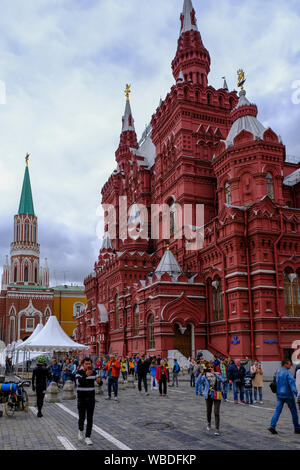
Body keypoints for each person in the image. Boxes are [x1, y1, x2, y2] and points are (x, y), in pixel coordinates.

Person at [269, 360, 300, 435]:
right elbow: (292, 386)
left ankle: (272, 426)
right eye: (289, 364)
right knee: (294, 412)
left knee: (277, 411)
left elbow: (273, 381)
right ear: (285, 364)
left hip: (279, 395)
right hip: (288, 395)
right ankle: (297, 428)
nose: (290, 366)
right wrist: (298, 395)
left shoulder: (277, 371)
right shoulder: (288, 373)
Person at [76, 357, 101, 445]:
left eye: (89, 364)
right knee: (82, 418)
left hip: (91, 399)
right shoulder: (79, 372)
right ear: (83, 364)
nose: (88, 365)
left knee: (90, 419)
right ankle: (80, 430)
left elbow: (99, 382)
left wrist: (99, 381)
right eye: (86, 364)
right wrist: (86, 375)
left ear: (91, 364)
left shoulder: (94, 372)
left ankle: (88, 437)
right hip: (81, 399)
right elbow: (79, 383)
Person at [201, 364, 224, 436]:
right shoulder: (205, 376)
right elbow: (198, 382)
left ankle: (217, 429)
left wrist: (215, 374)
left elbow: (223, 380)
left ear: (214, 368)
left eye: (212, 367)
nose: (210, 368)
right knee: (208, 411)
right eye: (209, 368)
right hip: (208, 394)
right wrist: (201, 374)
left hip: (217, 394)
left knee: (216, 412)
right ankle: (209, 422)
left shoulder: (217, 374)